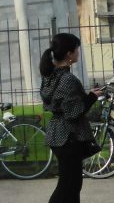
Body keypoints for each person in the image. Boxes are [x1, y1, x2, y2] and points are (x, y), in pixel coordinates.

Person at [40, 32, 97, 203]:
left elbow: (62, 104)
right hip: (69, 136)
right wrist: (92, 97)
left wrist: (88, 97)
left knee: (71, 184)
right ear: (69, 54)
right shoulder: (68, 79)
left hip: (57, 134)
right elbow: (73, 112)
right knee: (69, 185)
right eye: (77, 49)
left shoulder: (49, 77)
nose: (78, 52)